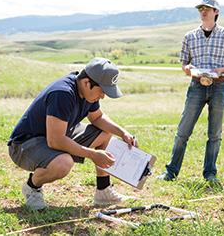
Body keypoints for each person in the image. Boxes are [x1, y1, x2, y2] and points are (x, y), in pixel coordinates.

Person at [8, 58, 138, 210]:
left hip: (55, 136)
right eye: (102, 91)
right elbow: (55, 141)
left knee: (105, 132)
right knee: (64, 163)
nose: (103, 96)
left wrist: (123, 133)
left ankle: (103, 191)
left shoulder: (87, 92)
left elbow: (97, 117)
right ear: (86, 83)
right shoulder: (63, 93)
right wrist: (93, 154)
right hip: (25, 145)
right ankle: (32, 187)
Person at [157, 0, 224, 183]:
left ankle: (210, 174)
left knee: (214, 134)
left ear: (216, 12)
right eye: (201, 8)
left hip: (219, 86)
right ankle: (171, 172)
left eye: (207, 9)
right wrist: (187, 69)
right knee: (183, 131)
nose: (203, 11)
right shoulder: (189, 37)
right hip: (196, 86)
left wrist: (220, 70)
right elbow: (184, 64)